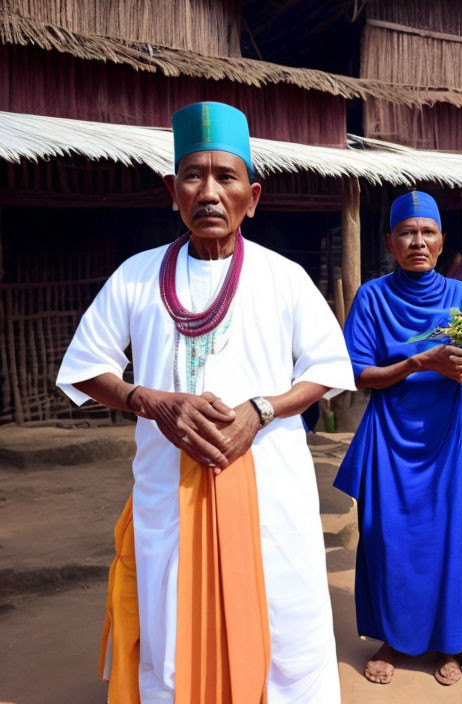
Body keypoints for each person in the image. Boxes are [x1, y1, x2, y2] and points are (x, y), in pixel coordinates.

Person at [56, 102, 354, 703]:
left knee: (283, 621)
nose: (210, 192)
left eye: (227, 177)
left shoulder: (284, 278)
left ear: (253, 195)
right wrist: (152, 402)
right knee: (171, 619)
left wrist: (261, 410)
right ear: (172, 191)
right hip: (171, 484)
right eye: (194, 175)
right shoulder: (138, 277)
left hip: (268, 485)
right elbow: (87, 368)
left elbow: (326, 367)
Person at [334, 191, 462, 687]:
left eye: (427, 232)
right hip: (391, 438)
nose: (417, 241)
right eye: (407, 232)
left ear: (442, 242)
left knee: (454, 538)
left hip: (448, 437)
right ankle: (395, 638)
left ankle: (455, 637)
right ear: (390, 243)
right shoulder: (373, 297)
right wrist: (420, 362)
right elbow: (357, 375)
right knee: (388, 540)